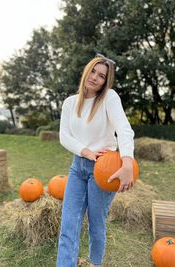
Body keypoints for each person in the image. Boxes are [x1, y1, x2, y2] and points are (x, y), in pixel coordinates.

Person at [56, 53, 134, 267]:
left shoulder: (109, 97)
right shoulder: (70, 103)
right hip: (77, 167)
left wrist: (127, 163)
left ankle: (94, 263)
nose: (95, 77)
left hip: (104, 169)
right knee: (68, 224)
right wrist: (85, 151)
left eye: (101, 76)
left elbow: (124, 129)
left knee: (96, 224)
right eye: (93, 71)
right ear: (86, 71)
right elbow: (64, 136)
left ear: (105, 81)